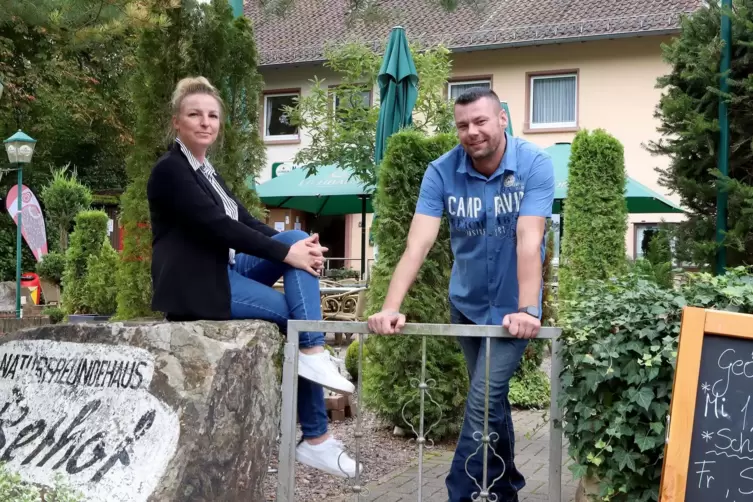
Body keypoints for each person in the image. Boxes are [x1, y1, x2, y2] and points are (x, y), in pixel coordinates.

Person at [147, 76, 360, 478]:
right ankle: (316, 438)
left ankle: (312, 355)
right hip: (197, 284)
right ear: (177, 121)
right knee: (296, 312)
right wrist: (286, 253)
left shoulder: (207, 172)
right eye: (195, 114)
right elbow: (219, 228)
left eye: (212, 116)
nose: (205, 122)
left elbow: (245, 221)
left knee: (295, 236)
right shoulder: (170, 171)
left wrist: (297, 247)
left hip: (222, 269)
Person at [367, 87, 554, 502]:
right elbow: (418, 244)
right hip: (467, 306)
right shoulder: (441, 172)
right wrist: (389, 307)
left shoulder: (534, 165)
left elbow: (529, 239)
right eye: (463, 125)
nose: (472, 132)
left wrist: (526, 308)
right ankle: (504, 490)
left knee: (482, 400)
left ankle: (460, 493)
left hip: (512, 310)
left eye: (481, 121)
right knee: (492, 401)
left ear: (502, 118)